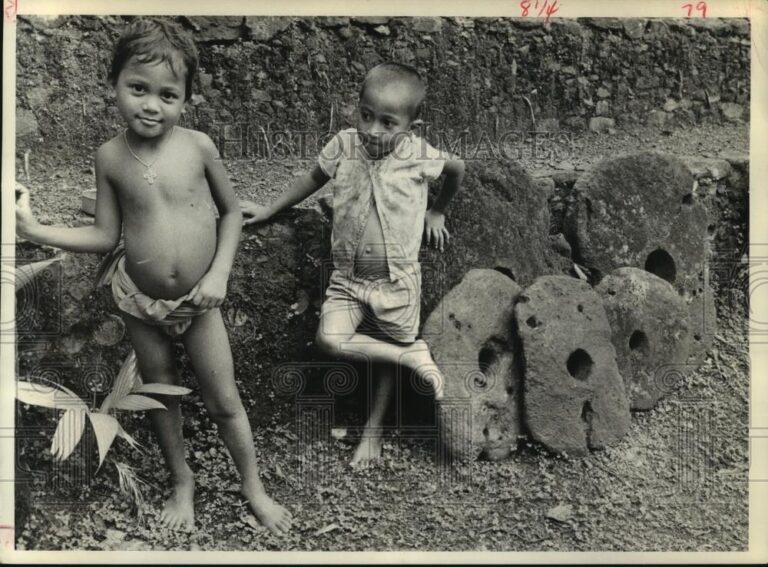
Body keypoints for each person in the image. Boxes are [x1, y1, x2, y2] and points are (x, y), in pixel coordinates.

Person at [15, 17, 292, 534]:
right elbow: (104, 235)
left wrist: (220, 275)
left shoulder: (198, 147)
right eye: (137, 89)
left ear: (186, 99)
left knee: (225, 400)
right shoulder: (110, 158)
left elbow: (230, 213)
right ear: (113, 85)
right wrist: (36, 227)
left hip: (200, 300)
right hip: (139, 302)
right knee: (161, 394)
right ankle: (181, 481)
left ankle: (253, 487)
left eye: (168, 95)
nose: (151, 104)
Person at [240, 62, 465, 465]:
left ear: (411, 128)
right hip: (347, 281)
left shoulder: (417, 153)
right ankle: (410, 356)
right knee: (329, 339)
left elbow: (457, 168)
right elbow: (311, 180)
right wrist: (269, 208)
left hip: (397, 282)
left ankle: (373, 430)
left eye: (387, 122)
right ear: (356, 108)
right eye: (366, 115)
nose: (372, 130)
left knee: (387, 344)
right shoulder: (344, 145)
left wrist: (438, 211)